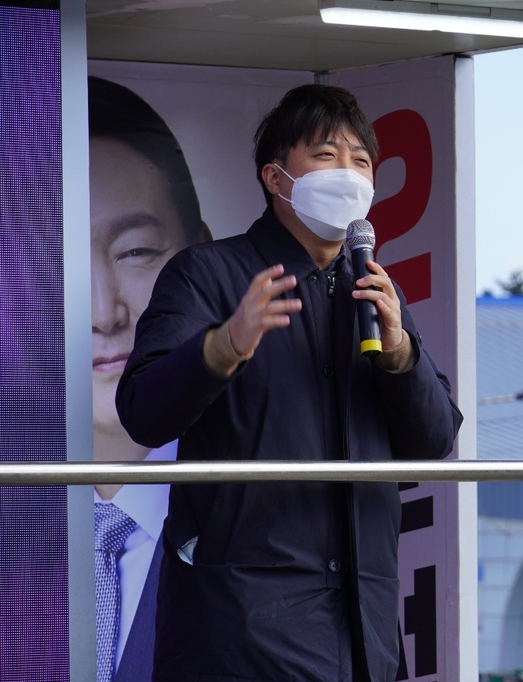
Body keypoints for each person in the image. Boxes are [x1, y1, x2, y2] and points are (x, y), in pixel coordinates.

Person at [116, 84, 462, 682]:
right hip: (241, 631)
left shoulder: (376, 290)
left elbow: (433, 443)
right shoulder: (208, 274)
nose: (348, 174)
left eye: (361, 161)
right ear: (276, 179)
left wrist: (400, 350)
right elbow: (143, 412)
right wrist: (225, 345)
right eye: (326, 156)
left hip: (364, 630)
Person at [88, 76, 211, 682]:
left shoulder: (261, 511)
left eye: (135, 252)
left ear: (204, 259)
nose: (102, 312)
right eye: (54, 264)